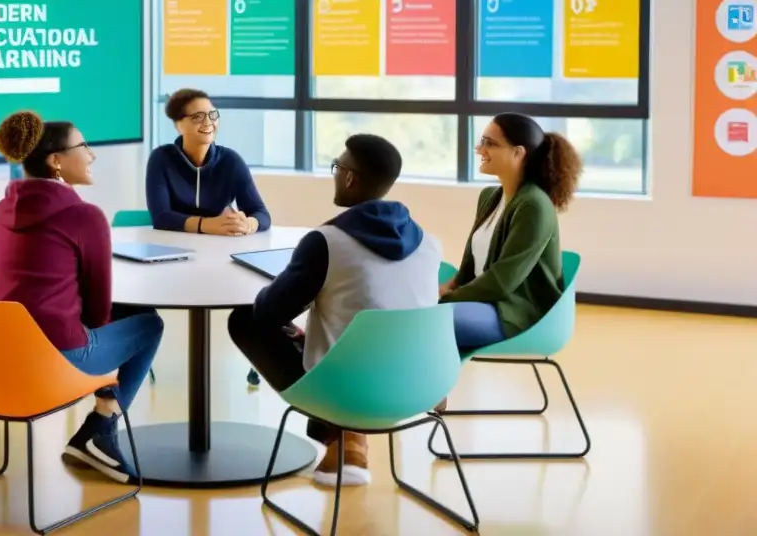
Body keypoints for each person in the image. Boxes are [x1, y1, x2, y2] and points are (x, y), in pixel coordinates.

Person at [227, 134, 441, 488]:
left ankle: (341, 430)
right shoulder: (430, 243)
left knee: (245, 320)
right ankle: (346, 438)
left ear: (350, 177)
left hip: (347, 388)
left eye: (337, 167)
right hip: (419, 382)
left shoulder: (326, 241)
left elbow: (267, 313)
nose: (335, 173)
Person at [0, 110, 164, 484]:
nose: (92, 154)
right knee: (149, 323)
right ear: (56, 162)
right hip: (53, 364)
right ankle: (102, 428)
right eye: (83, 145)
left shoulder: (1, 211)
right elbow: (98, 311)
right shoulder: (84, 216)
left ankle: (98, 431)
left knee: (131, 311)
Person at [438, 113, 582, 353]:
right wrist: (446, 288)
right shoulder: (489, 197)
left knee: (422, 324)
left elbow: (500, 281)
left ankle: (426, 390)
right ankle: (431, 390)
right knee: (414, 317)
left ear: (518, 152)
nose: (479, 148)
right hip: (486, 303)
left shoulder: (534, 205)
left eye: (490, 143)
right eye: (482, 141)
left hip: (516, 313)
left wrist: (443, 300)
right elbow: (469, 267)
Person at [146, 88, 271, 237]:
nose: (208, 122)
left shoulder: (231, 161)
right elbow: (161, 217)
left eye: (212, 114)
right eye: (198, 117)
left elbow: (261, 213)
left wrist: (248, 224)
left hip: (216, 246)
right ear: (179, 125)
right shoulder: (161, 158)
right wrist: (206, 224)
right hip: (170, 246)